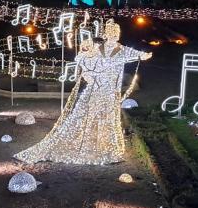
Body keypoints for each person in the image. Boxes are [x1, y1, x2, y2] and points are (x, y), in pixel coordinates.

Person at [15, 19, 151, 165]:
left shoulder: (122, 49)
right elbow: (80, 57)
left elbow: (132, 54)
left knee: (108, 116)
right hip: (95, 88)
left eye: (116, 34)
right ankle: (87, 142)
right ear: (106, 35)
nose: (113, 37)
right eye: (111, 34)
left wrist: (142, 55)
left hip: (110, 90)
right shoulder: (98, 47)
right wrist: (87, 72)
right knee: (87, 114)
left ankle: (107, 146)